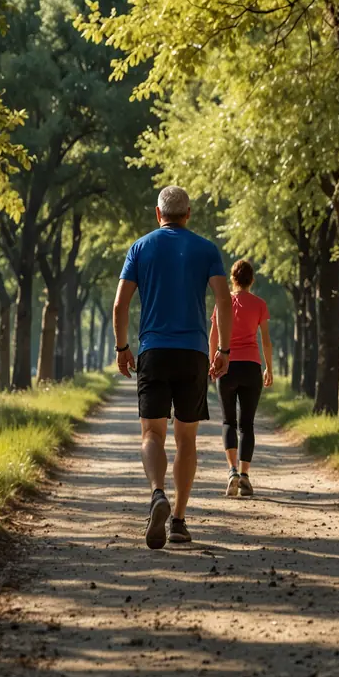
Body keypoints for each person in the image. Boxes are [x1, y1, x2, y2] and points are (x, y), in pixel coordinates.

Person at [113, 186, 232, 550]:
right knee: (186, 440)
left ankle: (157, 494)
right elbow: (224, 302)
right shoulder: (206, 249)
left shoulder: (140, 247)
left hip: (153, 351)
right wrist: (224, 350)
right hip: (193, 352)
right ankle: (178, 520)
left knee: (152, 434)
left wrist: (122, 347)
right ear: (188, 214)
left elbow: (120, 305)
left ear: (157, 213)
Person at [209, 259, 273, 497]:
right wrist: (269, 368)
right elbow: (265, 339)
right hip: (251, 367)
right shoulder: (259, 304)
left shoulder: (222, 304)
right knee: (246, 425)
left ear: (232, 279)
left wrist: (211, 363)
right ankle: (245, 476)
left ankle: (232, 471)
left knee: (228, 422)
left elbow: (214, 337)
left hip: (226, 367)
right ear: (252, 280)